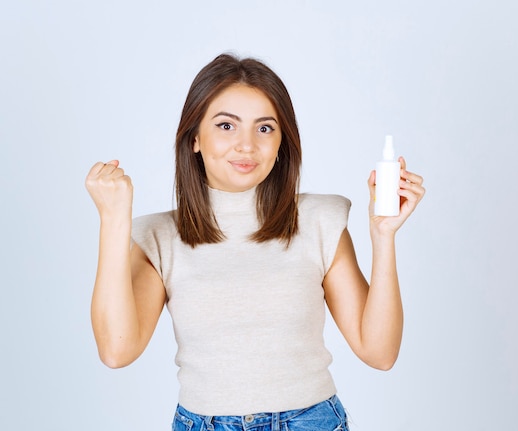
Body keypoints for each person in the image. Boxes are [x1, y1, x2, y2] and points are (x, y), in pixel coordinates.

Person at [85, 53, 425, 431]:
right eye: (226, 126)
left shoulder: (319, 221)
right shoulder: (160, 238)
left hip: (310, 422)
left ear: (282, 141)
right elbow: (117, 350)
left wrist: (384, 236)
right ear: (195, 137)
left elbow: (379, 353)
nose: (246, 145)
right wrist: (114, 221)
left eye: (264, 129)